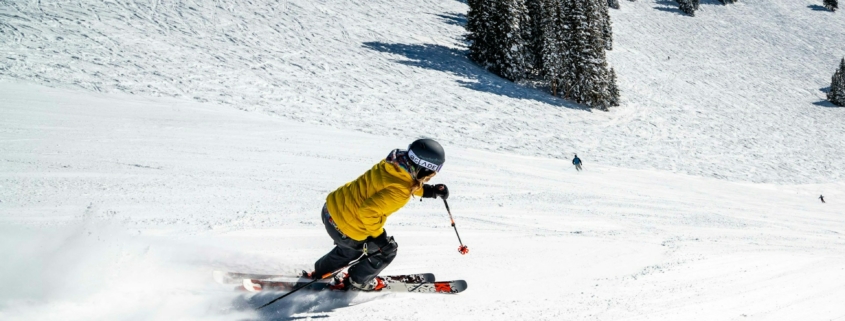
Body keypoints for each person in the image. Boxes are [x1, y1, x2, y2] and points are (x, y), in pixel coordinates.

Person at [307, 138, 449, 291]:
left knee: (350, 250)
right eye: (433, 172)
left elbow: (398, 183)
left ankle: (321, 272)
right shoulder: (401, 191)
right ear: (424, 168)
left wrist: (429, 191)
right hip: (346, 227)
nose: (432, 176)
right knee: (386, 251)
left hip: (331, 211)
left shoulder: (393, 163)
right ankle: (357, 281)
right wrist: (381, 241)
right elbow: (368, 212)